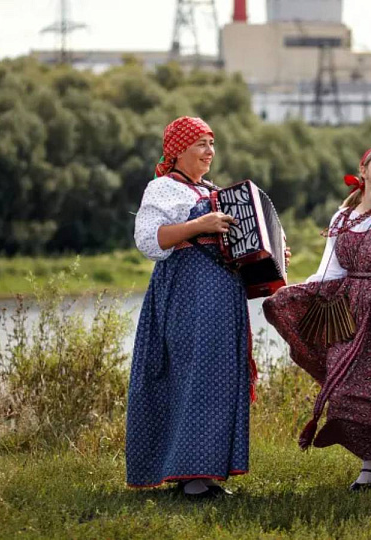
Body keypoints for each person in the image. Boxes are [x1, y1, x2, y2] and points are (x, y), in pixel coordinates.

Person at [264, 145, 371, 491]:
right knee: (347, 388)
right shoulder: (341, 218)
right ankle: (370, 465)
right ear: (363, 169)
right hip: (348, 311)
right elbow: (328, 271)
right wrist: (290, 293)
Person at [126, 116, 253, 499]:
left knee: (221, 376)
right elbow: (150, 240)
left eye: (212, 145)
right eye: (201, 144)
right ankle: (190, 476)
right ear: (178, 149)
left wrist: (269, 252)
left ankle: (207, 472)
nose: (209, 152)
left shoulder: (214, 192)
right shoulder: (162, 188)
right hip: (186, 294)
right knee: (194, 373)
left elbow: (234, 245)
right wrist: (200, 225)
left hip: (222, 295)